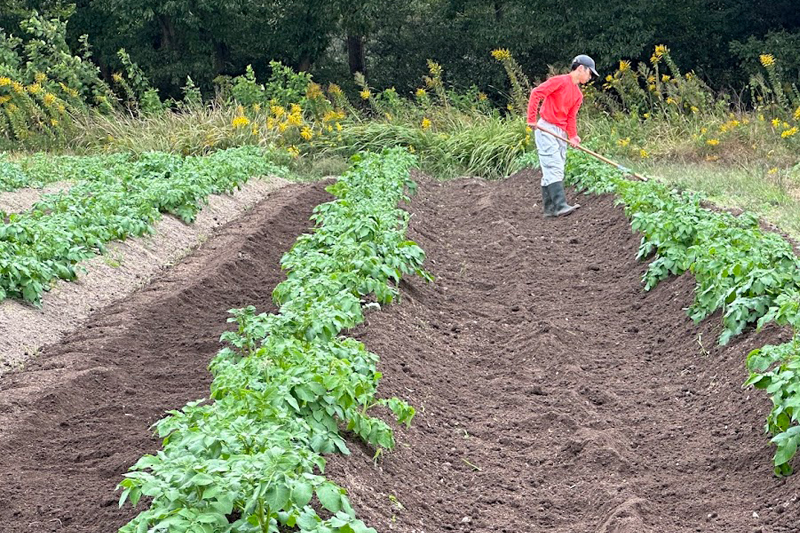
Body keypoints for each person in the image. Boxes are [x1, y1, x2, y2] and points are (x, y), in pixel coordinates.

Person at [527, 54, 597, 217]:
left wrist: (573, 136)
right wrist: (531, 119)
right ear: (581, 68)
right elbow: (536, 93)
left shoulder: (578, 95)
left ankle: (549, 209)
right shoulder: (559, 81)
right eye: (590, 73)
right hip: (546, 128)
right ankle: (560, 205)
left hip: (561, 133)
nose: (590, 77)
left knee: (553, 168)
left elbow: (571, 117)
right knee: (554, 166)